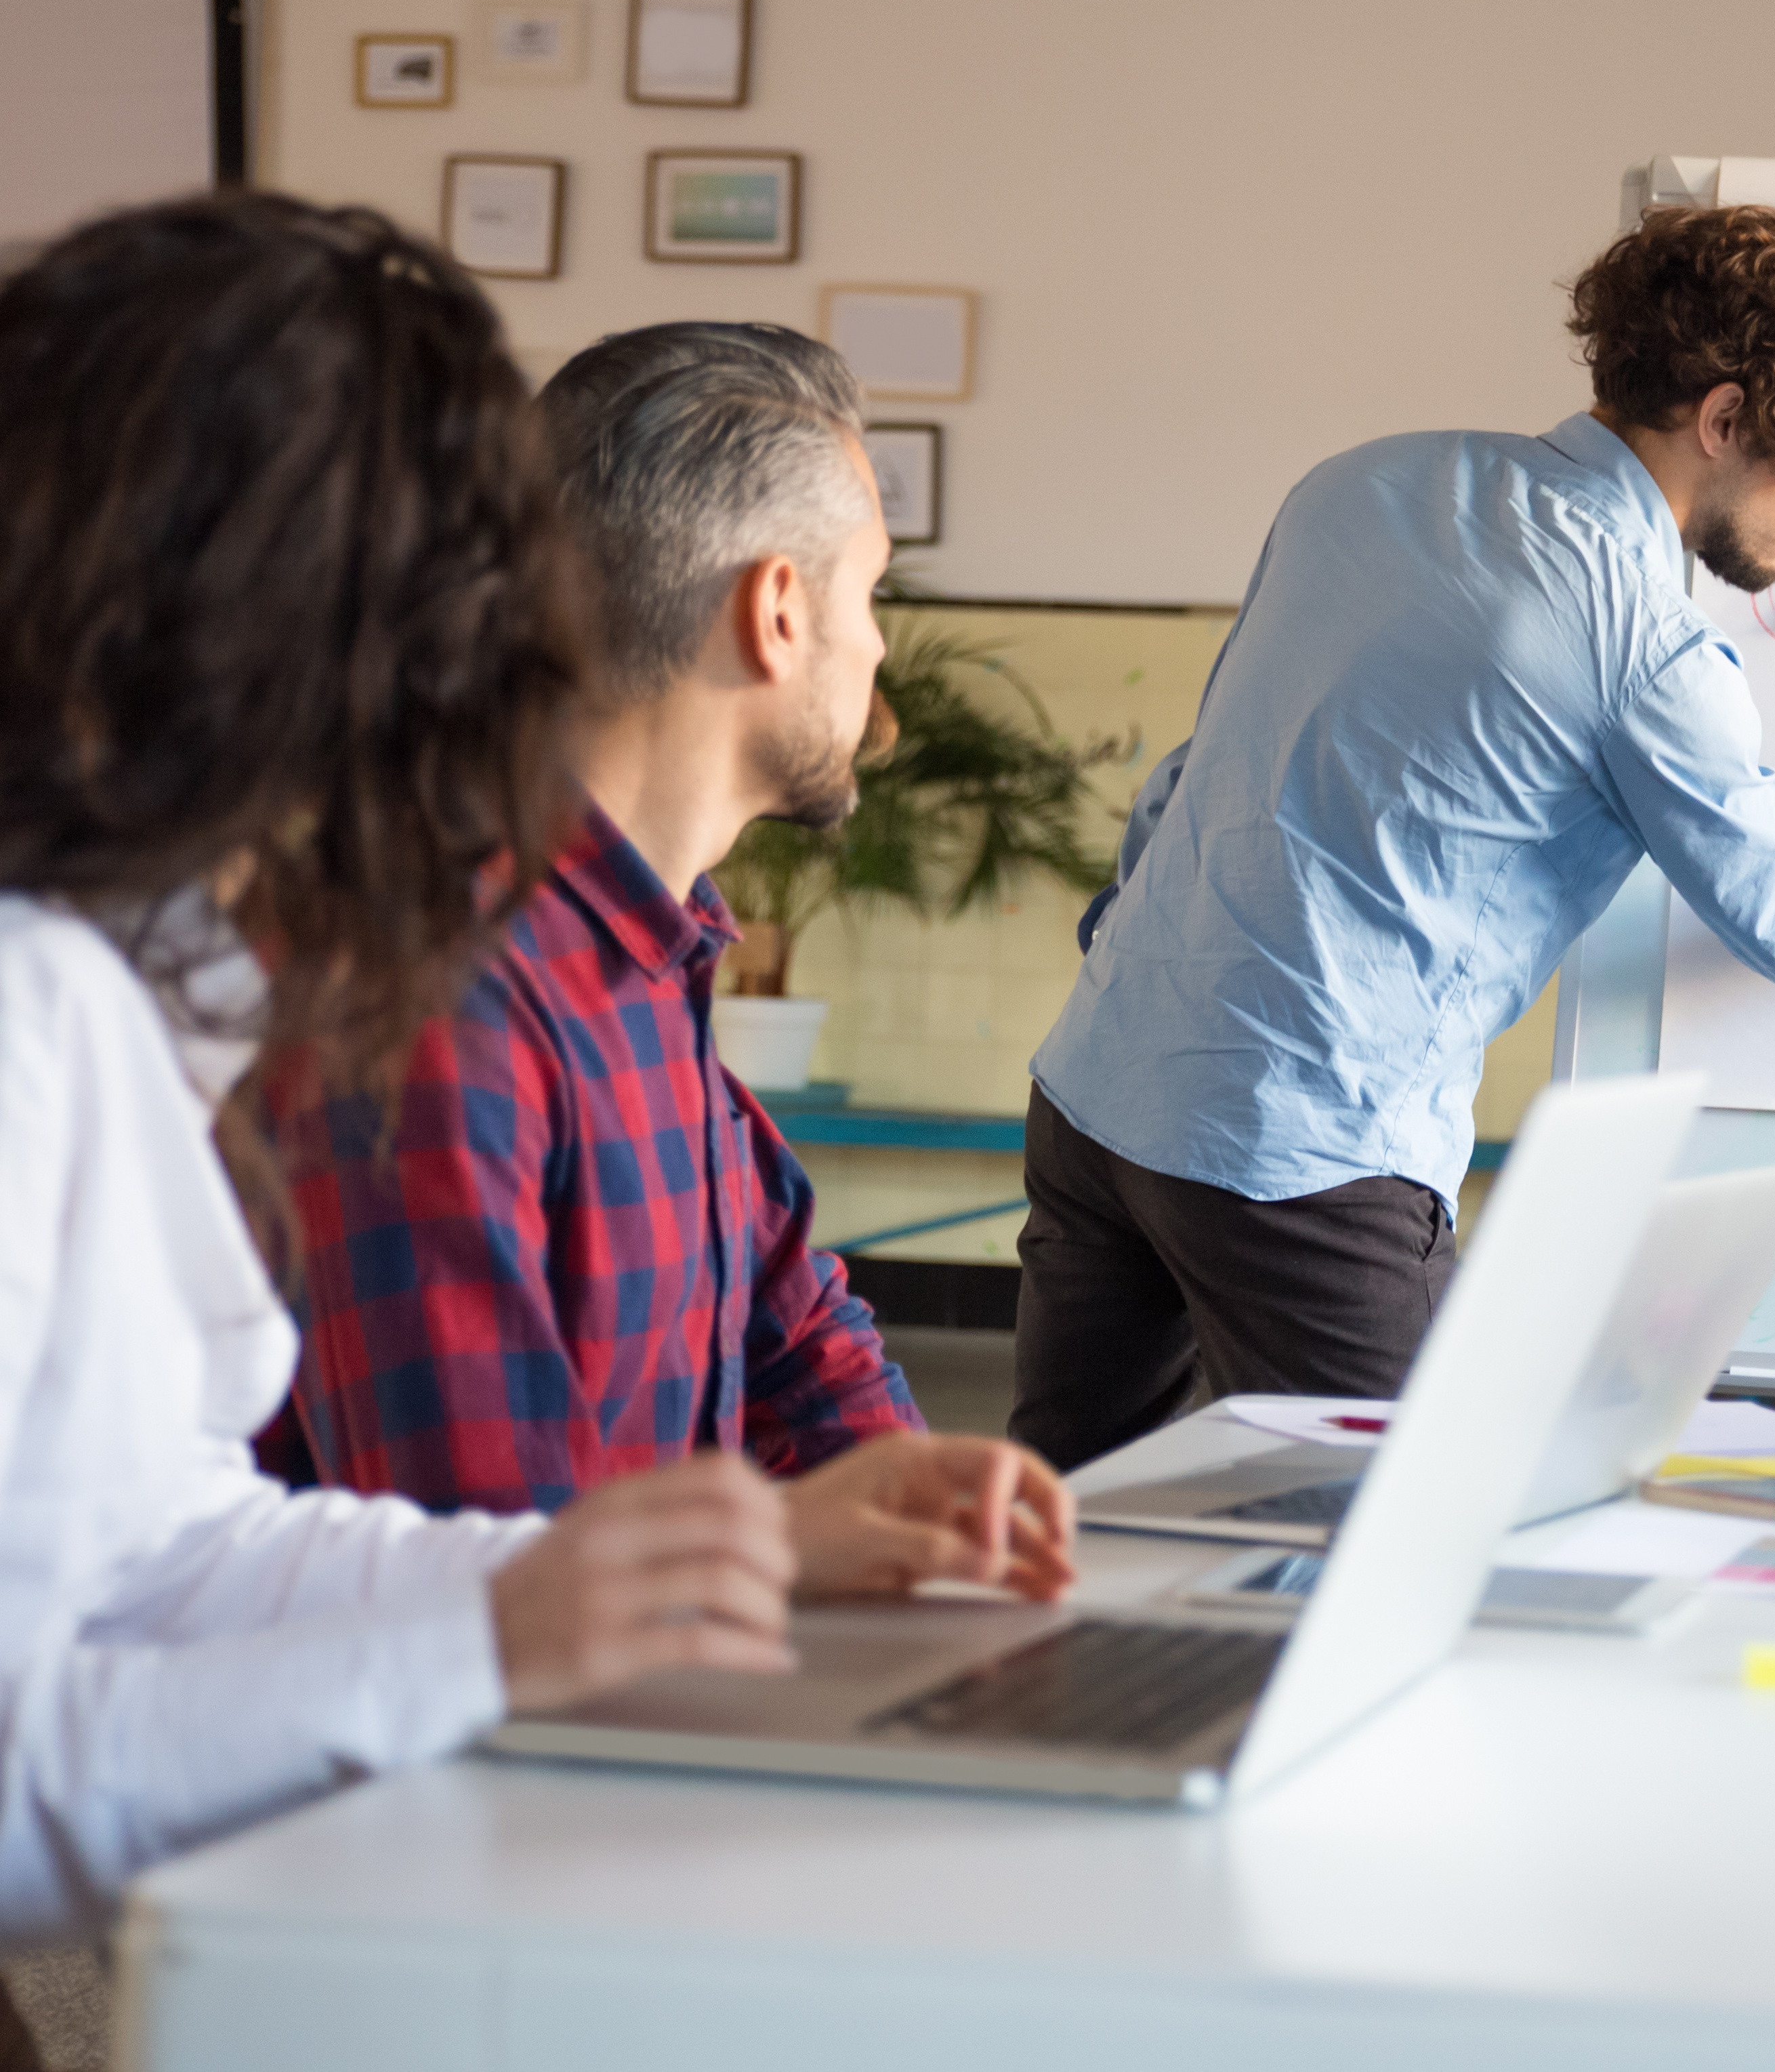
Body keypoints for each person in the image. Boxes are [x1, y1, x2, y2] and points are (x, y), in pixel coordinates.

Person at [0, 196, 1065, 1949]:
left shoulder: (120, 977)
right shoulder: (70, 996)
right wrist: (501, 1628)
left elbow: (166, 1538)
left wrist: (700, 1563)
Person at [1014, 204, 1775, 1468]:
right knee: (1398, 1543)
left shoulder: (1364, 478)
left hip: (1099, 1081)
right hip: (1300, 1151)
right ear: (1722, 421)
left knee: (1039, 1514)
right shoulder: (1642, 637)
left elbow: (1192, 774)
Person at [256, 322, 1070, 1552]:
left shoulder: (648, 947)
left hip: (652, 1674)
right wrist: (792, 1549)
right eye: (874, 589)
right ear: (780, 613)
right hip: (519, 1719)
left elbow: (793, 1335)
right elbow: (481, 1569)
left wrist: (941, 1518)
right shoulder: (437, 1002)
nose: (882, 644)